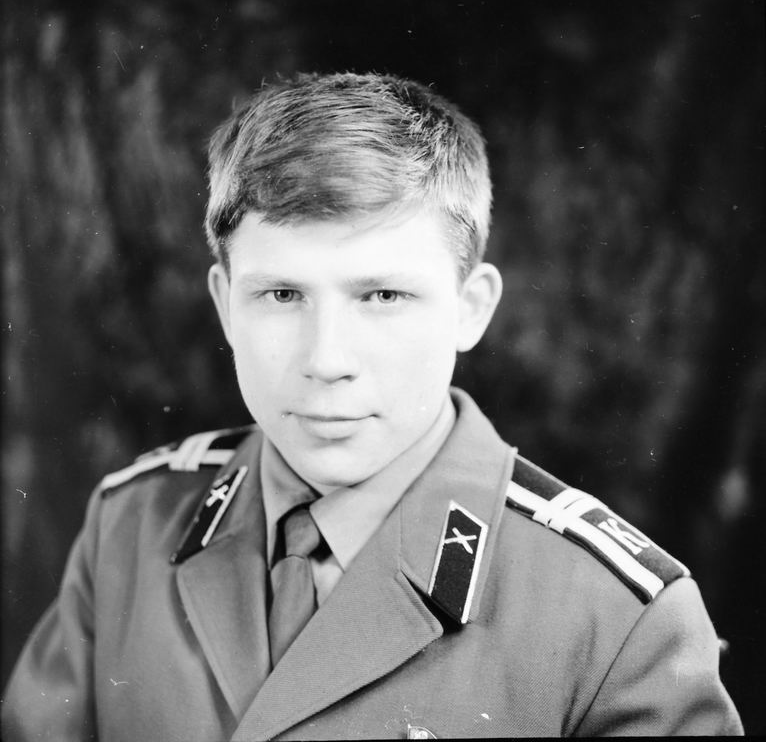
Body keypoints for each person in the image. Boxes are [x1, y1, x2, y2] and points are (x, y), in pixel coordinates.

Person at [2, 72, 743, 740]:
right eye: (281, 295)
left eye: (383, 296)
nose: (326, 360)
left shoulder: (618, 620)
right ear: (226, 305)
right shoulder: (129, 528)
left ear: (471, 308)